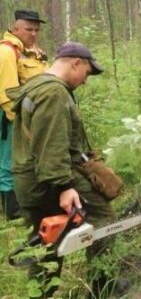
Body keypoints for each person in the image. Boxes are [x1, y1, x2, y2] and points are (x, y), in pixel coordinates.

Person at [6, 42, 118, 298]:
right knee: (102, 218)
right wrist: (64, 187)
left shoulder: (37, 85)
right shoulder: (54, 93)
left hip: (31, 180)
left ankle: (43, 293)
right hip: (46, 180)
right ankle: (103, 286)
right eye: (87, 73)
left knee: (48, 243)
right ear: (75, 63)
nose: (86, 81)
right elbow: (51, 144)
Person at [0, 9, 48, 220]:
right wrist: (19, 122)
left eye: (37, 30)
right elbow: (7, 93)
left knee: (23, 160)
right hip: (12, 116)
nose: (33, 33)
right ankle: (12, 209)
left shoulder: (34, 52)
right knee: (9, 161)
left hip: (31, 115)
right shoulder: (7, 52)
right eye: (29, 29)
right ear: (16, 28)